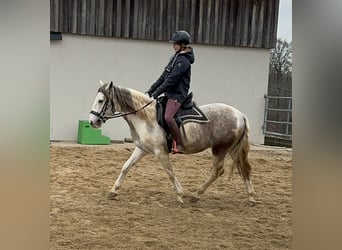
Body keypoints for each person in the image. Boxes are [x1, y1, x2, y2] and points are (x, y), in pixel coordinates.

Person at [146, 30, 195, 154]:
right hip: (170, 94)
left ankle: (179, 144)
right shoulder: (175, 57)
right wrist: (151, 90)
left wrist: (157, 93)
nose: (173, 46)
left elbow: (171, 80)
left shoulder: (184, 61)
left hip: (178, 95)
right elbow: (164, 76)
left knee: (168, 117)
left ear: (182, 45)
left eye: (175, 43)